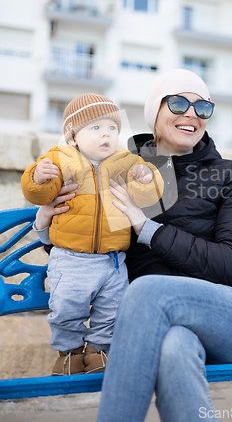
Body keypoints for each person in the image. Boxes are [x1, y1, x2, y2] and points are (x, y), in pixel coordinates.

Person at [36, 69, 232, 421]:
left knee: (146, 290)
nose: (191, 114)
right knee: (173, 348)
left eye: (202, 107)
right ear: (154, 110)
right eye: (179, 102)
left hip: (228, 318)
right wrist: (45, 227)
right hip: (160, 325)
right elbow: (90, 254)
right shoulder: (116, 168)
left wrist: (146, 229)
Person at [21, 93, 163, 376]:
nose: (106, 134)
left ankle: (99, 351)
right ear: (73, 135)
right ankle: (69, 353)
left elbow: (149, 195)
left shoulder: (125, 161)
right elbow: (41, 193)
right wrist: (38, 177)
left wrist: (147, 179)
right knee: (65, 309)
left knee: (112, 311)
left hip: (112, 261)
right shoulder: (60, 159)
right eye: (95, 128)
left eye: (112, 128)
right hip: (70, 258)